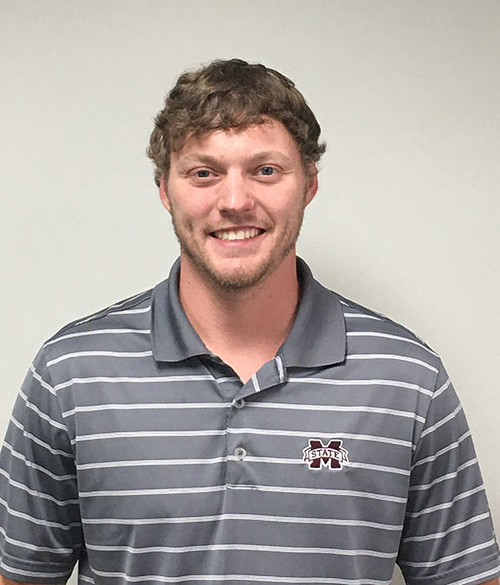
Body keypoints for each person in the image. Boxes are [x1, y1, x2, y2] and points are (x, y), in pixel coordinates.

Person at [0, 58, 498, 585]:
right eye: (203, 173)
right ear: (166, 190)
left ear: (308, 184)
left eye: (266, 170)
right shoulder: (70, 373)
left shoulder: (407, 378)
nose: (235, 201)